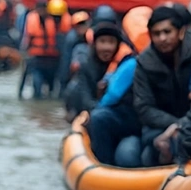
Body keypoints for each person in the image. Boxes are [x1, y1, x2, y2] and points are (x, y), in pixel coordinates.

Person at [76, 22, 142, 167]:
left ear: (118, 45)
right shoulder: (87, 67)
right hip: (98, 121)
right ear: (95, 44)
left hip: (125, 123)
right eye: (102, 42)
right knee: (98, 117)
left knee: (127, 156)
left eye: (111, 42)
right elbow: (84, 97)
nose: (106, 47)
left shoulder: (128, 67)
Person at [133, 6, 191, 166]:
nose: (162, 38)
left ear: (180, 32)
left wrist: (183, 125)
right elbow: (143, 107)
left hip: (189, 123)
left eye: (167, 32)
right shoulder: (144, 63)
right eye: (157, 34)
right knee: (146, 151)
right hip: (160, 125)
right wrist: (175, 124)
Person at [22, 0, 71, 99]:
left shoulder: (61, 22)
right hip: (37, 60)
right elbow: (26, 40)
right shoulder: (31, 19)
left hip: (53, 60)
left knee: (52, 88)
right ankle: (37, 110)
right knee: (37, 86)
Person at [57, 11, 90, 96]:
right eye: (79, 25)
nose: (81, 27)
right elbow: (66, 59)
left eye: (84, 24)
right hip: (73, 74)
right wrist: (64, 77)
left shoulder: (91, 37)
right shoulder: (71, 39)